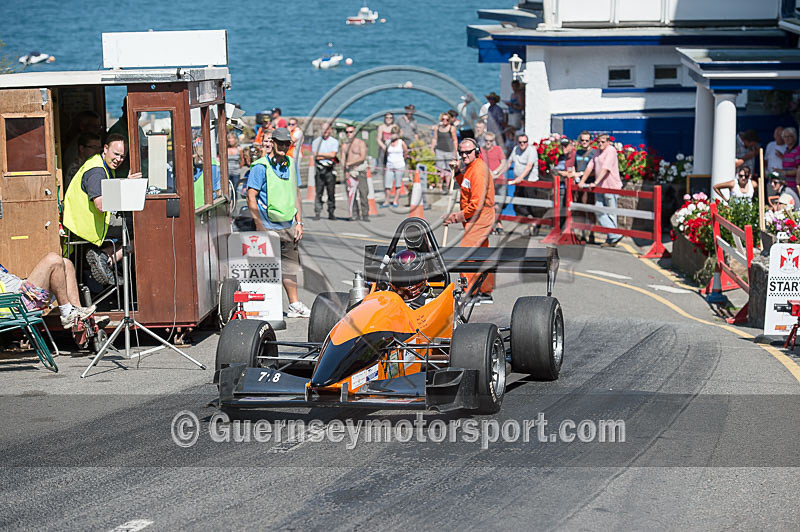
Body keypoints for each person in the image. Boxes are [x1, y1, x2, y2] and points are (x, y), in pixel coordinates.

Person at [62, 133, 143, 285]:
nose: (118, 159)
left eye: (122, 156)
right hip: (86, 227)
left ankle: (106, 258)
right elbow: (101, 205)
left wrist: (126, 183)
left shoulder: (100, 164)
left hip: (90, 223)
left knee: (136, 226)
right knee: (142, 231)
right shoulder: (96, 171)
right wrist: (126, 186)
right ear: (105, 149)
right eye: (116, 154)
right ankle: (106, 257)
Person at [246, 127, 310, 318]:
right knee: (264, 270)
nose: (283, 146)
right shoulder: (260, 166)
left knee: (290, 267)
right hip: (268, 226)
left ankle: (294, 304)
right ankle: (263, 307)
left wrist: (300, 222)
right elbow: (251, 197)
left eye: (286, 143)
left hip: (288, 225)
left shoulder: (291, 163)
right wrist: (259, 225)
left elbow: (296, 193)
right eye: (280, 142)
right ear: (272, 142)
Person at [444, 138, 495, 304]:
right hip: (475, 219)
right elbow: (466, 186)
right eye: (461, 152)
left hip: (479, 219)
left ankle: (468, 292)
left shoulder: (478, 170)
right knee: (481, 255)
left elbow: (476, 204)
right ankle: (484, 292)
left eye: (468, 152)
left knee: (465, 255)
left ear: (477, 151)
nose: (464, 155)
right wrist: (458, 172)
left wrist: (455, 217)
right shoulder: (471, 168)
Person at [0, 254, 109, 329]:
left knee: (66, 263)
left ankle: (77, 313)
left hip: (23, 293)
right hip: (15, 302)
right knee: (53, 259)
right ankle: (67, 314)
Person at [578, 133, 623, 247]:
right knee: (598, 210)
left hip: (610, 186)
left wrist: (595, 182)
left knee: (611, 213)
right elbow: (589, 167)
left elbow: (606, 168)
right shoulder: (597, 152)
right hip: (600, 188)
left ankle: (611, 238)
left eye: (603, 142)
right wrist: (582, 181)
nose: (600, 144)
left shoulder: (611, 150)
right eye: (598, 142)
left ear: (608, 142)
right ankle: (614, 235)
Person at [509, 134, 539, 235]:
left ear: (527, 142)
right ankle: (530, 219)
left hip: (530, 181)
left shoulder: (532, 150)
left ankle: (534, 225)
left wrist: (520, 178)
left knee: (531, 205)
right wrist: (497, 173)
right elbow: (509, 162)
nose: (522, 144)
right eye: (520, 142)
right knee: (517, 204)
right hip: (519, 182)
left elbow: (529, 166)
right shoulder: (515, 149)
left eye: (524, 142)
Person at [480, 132, 509, 235]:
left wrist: (495, 172)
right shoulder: (481, 150)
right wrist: (489, 172)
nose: (488, 143)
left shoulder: (498, 149)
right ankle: (496, 224)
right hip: (487, 181)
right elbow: (480, 163)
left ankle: (496, 223)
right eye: (486, 140)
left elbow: (503, 162)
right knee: (489, 204)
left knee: (498, 205)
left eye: (490, 141)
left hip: (499, 180)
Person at [341, 124, 369, 221]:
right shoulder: (344, 146)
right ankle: (354, 214)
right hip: (350, 172)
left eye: (351, 132)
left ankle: (365, 214)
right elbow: (342, 160)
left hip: (360, 170)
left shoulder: (361, 143)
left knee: (363, 193)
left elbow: (362, 157)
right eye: (347, 132)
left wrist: (349, 163)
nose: (349, 134)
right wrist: (346, 170)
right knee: (351, 194)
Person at [311, 124, 339, 220]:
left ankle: (331, 212)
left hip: (329, 169)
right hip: (319, 169)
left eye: (327, 130)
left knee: (331, 192)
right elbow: (316, 156)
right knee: (319, 192)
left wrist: (322, 155)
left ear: (330, 130)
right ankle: (317, 212)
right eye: (323, 130)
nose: (325, 131)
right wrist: (327, 155)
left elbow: (333, 155)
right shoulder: (316, 142)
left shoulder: (334, 142)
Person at [382, 125, 408, 208]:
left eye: (395, 134)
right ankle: (386, 201)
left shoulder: (401, 142)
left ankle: (395, 200)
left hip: (399, 165)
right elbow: (386, 153)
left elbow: (406, 152)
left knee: (398, 184)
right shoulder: (388, 142)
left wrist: (402, 160)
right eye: (392, 133)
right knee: (387, 184)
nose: (393, 135)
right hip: (389, 165)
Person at [431, 112, 458, 191]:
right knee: (439, 168)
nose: (445, 121)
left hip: (449, 151)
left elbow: (455, 140)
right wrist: (432, 149)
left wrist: (455, 152)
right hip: (439, 150)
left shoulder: (451, 128)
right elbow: (434, 138)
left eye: (447, 119)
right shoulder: (437, 127)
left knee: (448, 169)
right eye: (443, 119)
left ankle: (447, 186)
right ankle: (439, 186)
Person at [376, 113, 395, 182]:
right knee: (382, 162)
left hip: (392, 147)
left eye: (390, 118)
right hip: (383, 147)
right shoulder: (381, 127)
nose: (388, 119)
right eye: (387, 118)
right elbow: (378, 139)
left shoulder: (394, 127)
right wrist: (384, 146)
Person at [286, 117, 304, 186]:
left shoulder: (298, 132)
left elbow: (291, 141)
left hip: (296, 155)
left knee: (295, 172)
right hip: (289, 154)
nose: (290, 126)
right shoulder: (292, 132)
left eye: (292, 124)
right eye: (289, 124)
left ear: (296, 125)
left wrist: (288, 132)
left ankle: (296, 186)